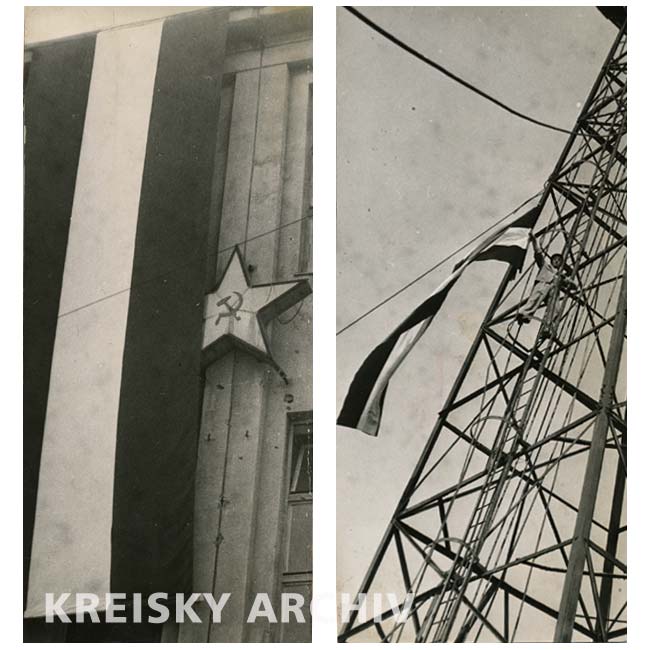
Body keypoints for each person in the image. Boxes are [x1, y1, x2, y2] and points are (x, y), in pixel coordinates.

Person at [516, 235, 576, 328]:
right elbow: (538, 254)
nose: (556, 261)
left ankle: (548, 326)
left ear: (561, 264)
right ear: (551, 261)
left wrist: (569, 275)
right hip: (543, 285)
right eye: (555, 260)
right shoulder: (545, 266)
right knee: (535, 300)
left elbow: (571, 285)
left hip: (553, 292)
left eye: (559, 261)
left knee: (556, 309)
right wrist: (534, 241)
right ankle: (523, 314)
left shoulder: (560, 276)